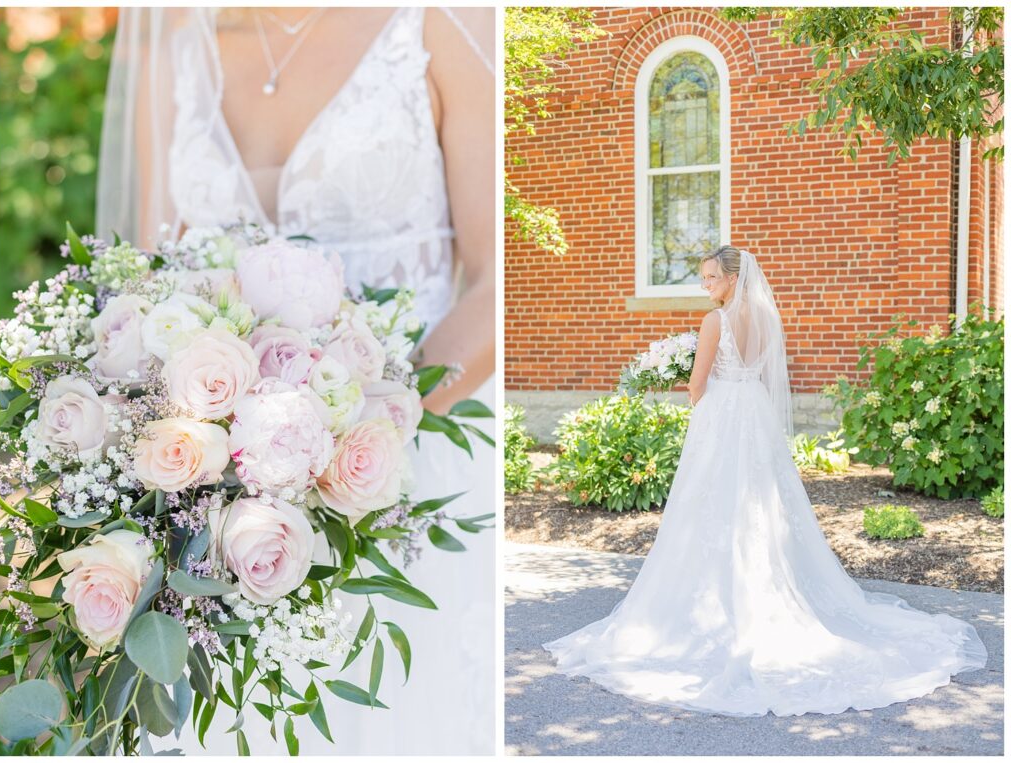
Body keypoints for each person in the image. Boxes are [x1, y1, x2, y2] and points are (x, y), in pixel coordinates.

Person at [96, 7, 495, 754]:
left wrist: (354, 439)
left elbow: (499, 278)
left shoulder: (438, 22)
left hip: (414, 461)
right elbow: (152, 294)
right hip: (221, 517)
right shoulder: (176, 48)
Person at [543, 246, 987, 716]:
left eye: (711, 277)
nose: (706, 285)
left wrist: (684, 380)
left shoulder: (715, 321)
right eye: (704, 278)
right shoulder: (768, 317)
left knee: (710, 501)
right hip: (753, 409)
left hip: (722, 414)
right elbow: (761, 370)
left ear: (733, 277)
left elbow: (698, 383)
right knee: (761, 502)